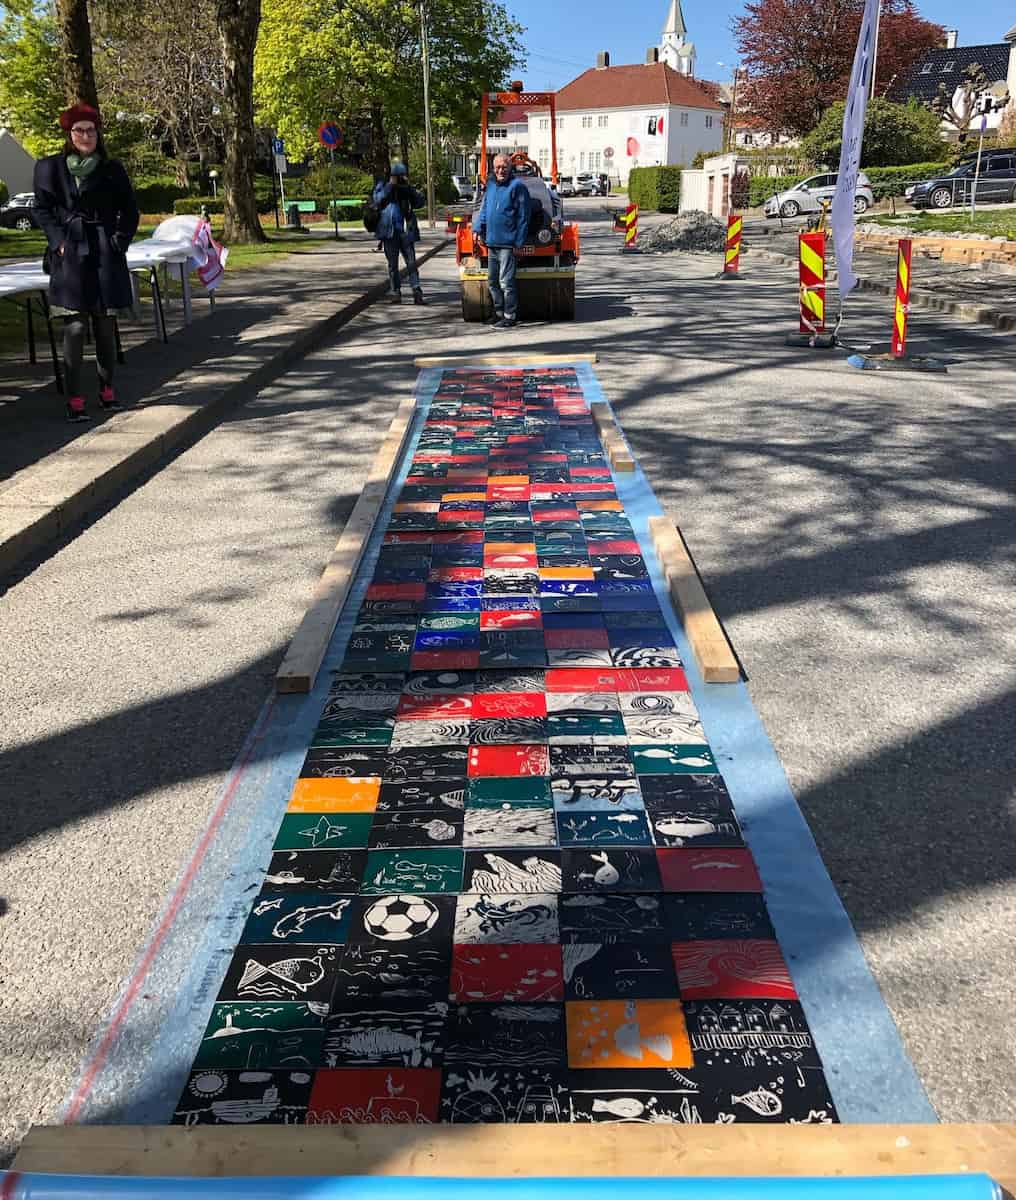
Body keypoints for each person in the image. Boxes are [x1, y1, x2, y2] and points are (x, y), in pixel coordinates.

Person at [33, 103, 139, 422]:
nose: (86, 136)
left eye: (91, 130)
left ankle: (107, 389)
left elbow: (130, 210)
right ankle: (74, 397)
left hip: (105, 252)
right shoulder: (49, 168)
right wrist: (58, 242)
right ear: (70, 134)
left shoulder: (111, 168)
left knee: (104, 325)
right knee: (76, 327)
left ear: (97, 134)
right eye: (79, 130)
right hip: (70, 254)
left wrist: (118, 242)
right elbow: (42, 209)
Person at [473, 154, 530, 329]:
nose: (500, 171)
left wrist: (519, 243)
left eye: (504, 167)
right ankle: (498, 314)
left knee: (506, 282)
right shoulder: (490, 185)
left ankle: (509, 316)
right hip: (492, 242)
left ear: (510, 167)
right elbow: (484, 209)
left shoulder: (517, 187)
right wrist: (477, 228)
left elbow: (523, 216)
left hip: (508, 243)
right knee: (493, 282)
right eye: (497, 167)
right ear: (493, 168)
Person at [372, 162, 425, 305]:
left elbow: (419, 202)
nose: (399, 178)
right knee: (392, 265)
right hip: (389, 232)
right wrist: (390, 185)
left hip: (406, 231)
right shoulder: (383, 185)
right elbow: (377, 199)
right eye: (396, 175)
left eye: (401, 175)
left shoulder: (406, 188)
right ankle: (395, 292)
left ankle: (416, 291)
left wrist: (410, 189)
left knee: (411, 263)